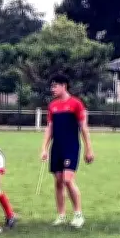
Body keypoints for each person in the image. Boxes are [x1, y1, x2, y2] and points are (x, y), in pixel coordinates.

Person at [40, 74, 94, 228]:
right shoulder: (52, 106)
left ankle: (78, 214)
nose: (53, 89)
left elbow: (84, 128)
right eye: (52, 86)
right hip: (56, 147)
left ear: (64, 86)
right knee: (58, 182)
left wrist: (89, 149)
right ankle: (61, 215)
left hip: (71, 146)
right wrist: (44, 148)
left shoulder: (76, 104)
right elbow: (49, 128)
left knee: (68, 180)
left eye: (55, 86)